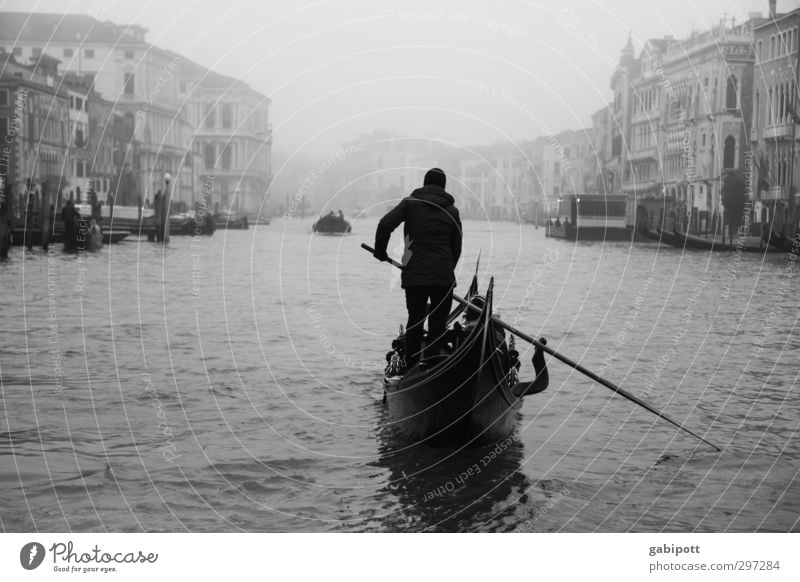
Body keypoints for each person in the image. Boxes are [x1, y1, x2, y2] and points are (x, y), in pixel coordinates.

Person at [373, 168, 462, 366]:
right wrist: (447, 269)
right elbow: (457, 246)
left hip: (416, 275)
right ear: (444, 187)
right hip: (443, 277)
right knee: (438, 324)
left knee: (415, 319)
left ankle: (411, 364)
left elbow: (384, 224)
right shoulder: (452, 211)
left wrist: (380, 251)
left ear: (424, 183)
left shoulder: (410, 204)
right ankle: (432, 363)